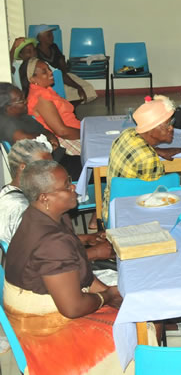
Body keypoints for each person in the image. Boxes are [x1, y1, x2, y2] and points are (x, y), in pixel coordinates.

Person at [4, 160, 127, 374]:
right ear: (45, 198)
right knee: (138, 328)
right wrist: (107, 296)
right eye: (66, 185)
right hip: (46, 330)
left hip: (44, 310)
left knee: (130, 306)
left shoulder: (41, 217)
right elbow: (72, 308)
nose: (73, 188)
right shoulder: (52, 242)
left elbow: (80, 273)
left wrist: (107, 292)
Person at [102, 95, 181, 224]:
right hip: (132, 218)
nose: (171, 128)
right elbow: (156, 198)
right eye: (168, 124)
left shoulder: (128, 134)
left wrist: (158, 151)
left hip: (112, 210)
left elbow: (138, 151)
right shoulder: (148, 158)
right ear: (151, 129)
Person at [0, 83, 82, 180]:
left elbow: (43, 130)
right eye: (21, 100)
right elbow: (24, 138)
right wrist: (47, 139)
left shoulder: (21, 114)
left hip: (60, 160)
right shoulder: (8, 124)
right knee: (97, 169)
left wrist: (49, 137)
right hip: (52, 171)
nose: (26, 101)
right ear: (7, 107)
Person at [21, 58, 82, 156]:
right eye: (44, 71)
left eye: (49, 69)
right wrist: (86, 133)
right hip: (66, 140)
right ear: (32, 79)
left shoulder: (45, 91)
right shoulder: (41, 97)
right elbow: (62, 131)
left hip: (74, 133)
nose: (50, 72)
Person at [0, 139, 52, 247]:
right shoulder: (21, 207)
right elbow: (43, 252)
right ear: (23, 168)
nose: (51, 172)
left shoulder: (7, 191)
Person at [30, 24, 97, 105]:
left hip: (63, 76)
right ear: (40, 38)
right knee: (73, 91)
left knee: (88, 88)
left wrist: (64, 67)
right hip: (51, 81)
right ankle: (66, 106)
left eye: (52, 34)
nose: (52, 37)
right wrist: (78, 87)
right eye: (49, 35)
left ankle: (68, 106)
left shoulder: (54, 47)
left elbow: (63, 69)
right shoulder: (36, 53)